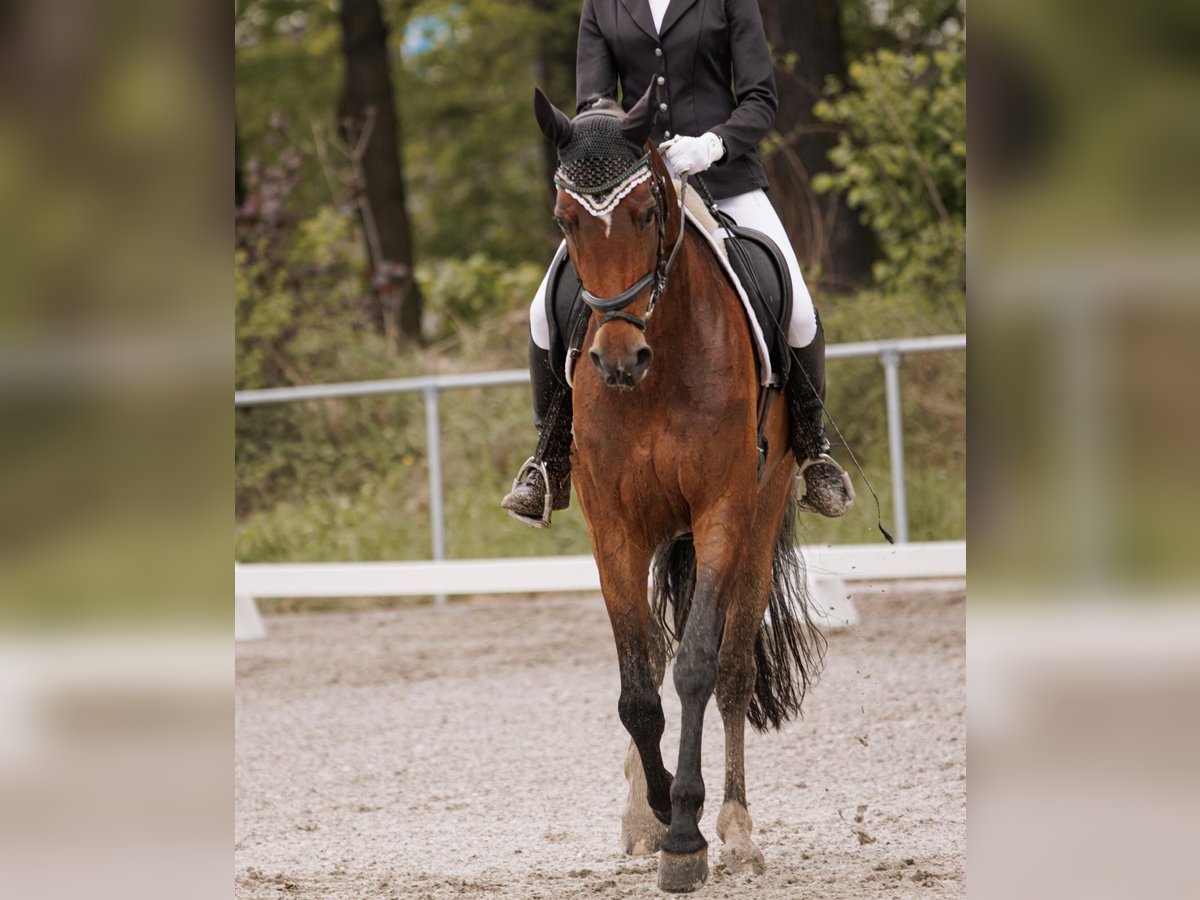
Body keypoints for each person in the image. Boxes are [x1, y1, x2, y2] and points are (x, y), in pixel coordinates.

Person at [502, 0, 853, 526]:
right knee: (541, 313)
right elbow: (594, 104)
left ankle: (813, 451)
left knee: (799, 309)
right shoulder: (603, 5)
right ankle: (548, 460)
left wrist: (713, 145)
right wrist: (623, 156)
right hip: (633, 192)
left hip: (724, 178)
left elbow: (759, 99)